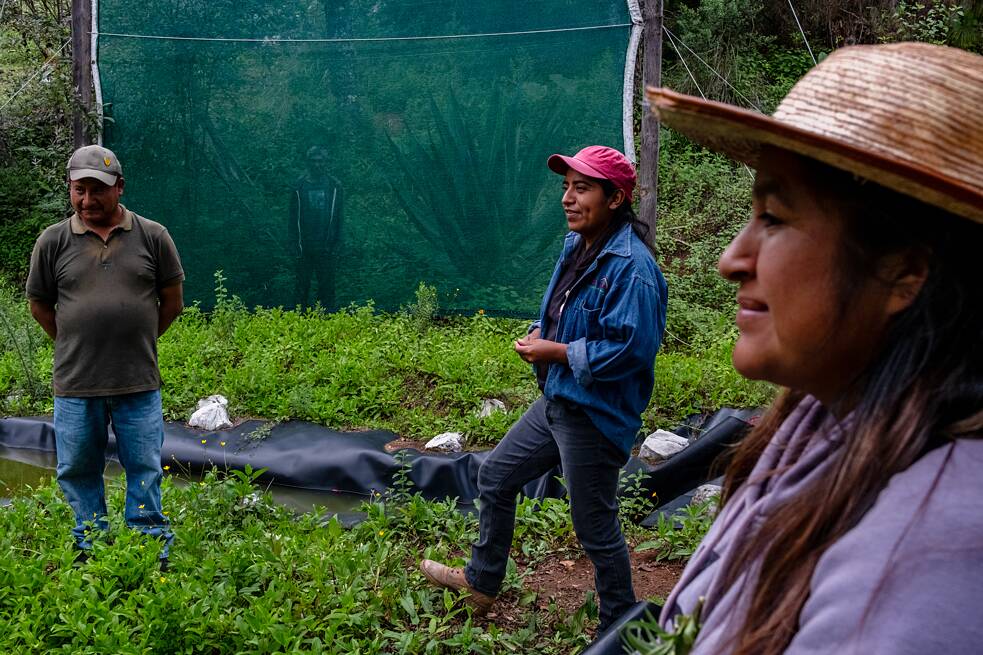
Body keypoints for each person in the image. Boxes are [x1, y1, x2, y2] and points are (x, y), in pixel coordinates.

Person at [647, 42, 983, 653]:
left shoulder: (921, 566)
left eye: (774, 217)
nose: (730, 261)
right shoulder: (821, 424)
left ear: (905, 272)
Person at [421, 145, 668, 632]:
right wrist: (542, 333)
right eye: (565, 188)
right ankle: (481, 583)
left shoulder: (634, 270)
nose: (568, 199)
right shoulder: (577, 247)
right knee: (495, 477)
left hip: (595, 414)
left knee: (594, 525)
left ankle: (619, 624)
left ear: (616, 198)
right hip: (560, 399)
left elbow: (630, 351)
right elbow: (557, 309)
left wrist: (555, 352)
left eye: (582, 188)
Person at [26, 145, 184, 567]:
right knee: (77, 467)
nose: (87, 201)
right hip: (76, 383)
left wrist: (138, 341)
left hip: (137, 380)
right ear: (70, 189)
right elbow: (39, 303)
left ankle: (150, 545)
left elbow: (172, 302)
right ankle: (89, 543)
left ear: (120, 187)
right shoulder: (53, 241)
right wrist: (72, 341)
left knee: (145, 467)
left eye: (98, 190)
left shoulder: (153, 236)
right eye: (79, 190)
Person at [289, 145, 344, 309]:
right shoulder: (299, 186)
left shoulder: (335, 186)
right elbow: (292, 219)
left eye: (320, 161)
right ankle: (299, 325)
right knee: (301, 289)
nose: (317, 165)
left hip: (326, 247)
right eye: (313, 161)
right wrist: (293, 245)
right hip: (304, 247)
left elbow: (339, 218)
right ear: (308, 162)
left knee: (327, 290)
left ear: (326, 163)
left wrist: (337, 244)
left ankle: (326, 325)